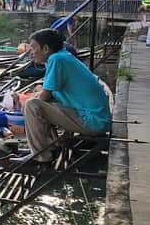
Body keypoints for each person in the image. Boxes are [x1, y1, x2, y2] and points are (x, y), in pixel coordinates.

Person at [22, 29, 111, 163]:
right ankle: (51, 145)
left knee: (32, 106)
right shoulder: (63, 56)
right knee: (36, 102)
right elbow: (50, 93)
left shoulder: (56, 59)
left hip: (93, 121)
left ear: (45, 48)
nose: (31, 53)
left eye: (33, 48)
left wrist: (28, 101)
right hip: (97, 119)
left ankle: (41, 156)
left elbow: (44, 98)